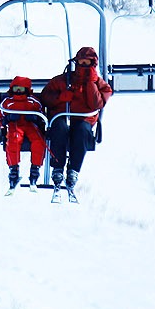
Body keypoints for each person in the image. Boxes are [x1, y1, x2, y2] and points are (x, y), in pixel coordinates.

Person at [37, 47, 112, 201]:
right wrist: (60, 98)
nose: (83, 66)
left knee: (82, 131)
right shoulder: (63, 80)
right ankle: (58, 167)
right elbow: (45, 97)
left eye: (87, 63)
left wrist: (91, 83)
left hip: (84, 119)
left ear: (93, 64)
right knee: (59, 128)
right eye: (81, 62)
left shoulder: (99, 84)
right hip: (61, 116)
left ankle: (73, 170)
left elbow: (96, 104)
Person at [0, 75, 47, 191]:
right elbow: (0, 118)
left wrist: (35, 119)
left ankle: (35, 168)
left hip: (30, 125)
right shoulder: (7, 102)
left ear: (27, 90)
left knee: (38, 141)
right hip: (15, 124)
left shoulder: (33, 101)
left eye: (21, 89)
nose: (18, 91)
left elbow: (42, 115)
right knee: (14, 139)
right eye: (16, 88)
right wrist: (6, 120)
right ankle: (13, 168)